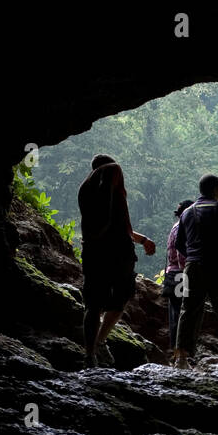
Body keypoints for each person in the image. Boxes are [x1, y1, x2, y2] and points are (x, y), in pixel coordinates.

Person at [77, 154, 156, 369]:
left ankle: (93, 350)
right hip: (117, 254)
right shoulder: (109, 180)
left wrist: (143, 240)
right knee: (112, 301)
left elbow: (120, 227)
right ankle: (94, 349)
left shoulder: (85, 191)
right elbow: (114, 226)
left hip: (94, 253)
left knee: (96, 304)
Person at [173, 175, 218, 371]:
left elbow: (179, 244)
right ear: (215, 189)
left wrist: (194, 254)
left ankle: (181, 359)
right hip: (216, 265)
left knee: (187, 311)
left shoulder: (186, 212)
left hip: (192, 267)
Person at [162, 199, 193, 349]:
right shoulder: (184, 227)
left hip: (172, 273)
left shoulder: (176, 227)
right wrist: (187, 272)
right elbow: (182, 255)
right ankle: (180, 350)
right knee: (181, 315)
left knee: (175, 314)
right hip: (181, 275)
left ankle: (175, 349)